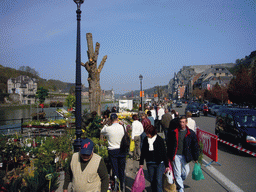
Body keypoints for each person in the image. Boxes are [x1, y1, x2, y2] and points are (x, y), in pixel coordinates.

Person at [167, 116, 199, 192]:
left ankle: (179, 181)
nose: (182, 124)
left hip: (185, 155)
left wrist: (196, 158)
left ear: (186, 123)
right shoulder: (174, 132)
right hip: (176, 155)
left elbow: (195, 145)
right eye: (181, 122)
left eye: (183, 122)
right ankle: (181, 189)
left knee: (186, 171)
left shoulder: (191, 133)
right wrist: (168, 155)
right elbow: (170, 144)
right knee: (177, 173)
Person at [100, 114, 126, 191]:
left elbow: (102, 131)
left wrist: (106, 124)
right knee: (121, 168)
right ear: (117, 119)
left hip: (112, 150)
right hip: (121, 149)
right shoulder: (122, 127)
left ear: (111, 120)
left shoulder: (109, 129)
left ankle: (116, 185)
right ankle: (122, 184)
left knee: (115, 169)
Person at [139, 125, 169, 192]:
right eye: (146, 133)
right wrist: (141, 163)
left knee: (158, 180)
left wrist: (167, 165)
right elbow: (143, 152)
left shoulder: (159, 140)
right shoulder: (145, 140)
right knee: (152, 180)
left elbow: (164, 153)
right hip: (150, 163)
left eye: (148, 133)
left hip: (159, 163)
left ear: (152, 133)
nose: (147, 135)